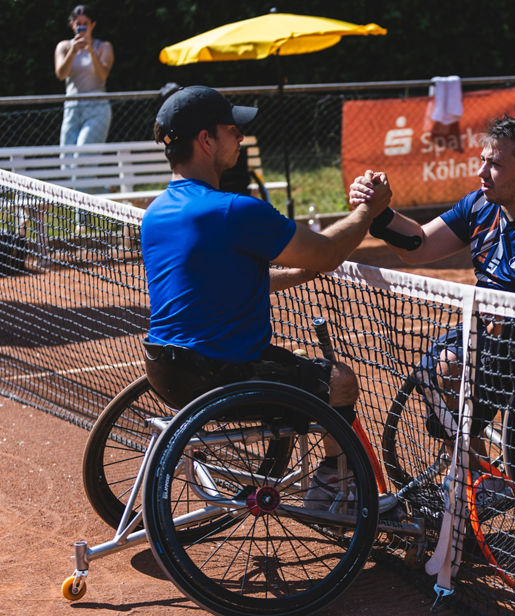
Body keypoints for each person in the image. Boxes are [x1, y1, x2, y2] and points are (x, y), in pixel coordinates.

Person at [140, 85, 391, 510]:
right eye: (231, 130)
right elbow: (328, 252)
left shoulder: (157, 211)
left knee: (292, 356)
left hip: (166, 370)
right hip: (219, 375)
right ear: (206, 140)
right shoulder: (234, 210)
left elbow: (215, 283)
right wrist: (369, 211)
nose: (240, 137)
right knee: (339, 380)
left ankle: (297, 471)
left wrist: (294, 273)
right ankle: (333, 489)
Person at [349, 115, 515, 502]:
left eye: (495, 164)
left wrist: (504, 328)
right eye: (482, 160)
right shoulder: (481, 205)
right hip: (491, 334)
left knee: (446, 370)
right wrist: (379, 213)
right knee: (434, 371)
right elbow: (421, 246)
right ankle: (479, 474)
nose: (481, 171)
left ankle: (480, 480)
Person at [54, 4, 114, 227]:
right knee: (67, 165)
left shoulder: (103, 46)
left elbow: (102, 76)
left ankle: (83, 222)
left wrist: (89, 50)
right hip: (72, 109)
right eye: (77, 24)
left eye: (85, 24)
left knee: (81, 163)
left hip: (97, 109)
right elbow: (61, 74)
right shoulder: (63, 46)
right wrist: (74, 51)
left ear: (92, 25)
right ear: (72, 25)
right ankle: (104, 189)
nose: (81, 28)